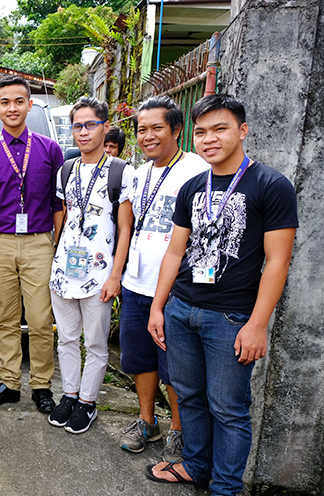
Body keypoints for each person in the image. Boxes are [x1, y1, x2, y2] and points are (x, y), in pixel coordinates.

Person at [145, 94, 298, 496]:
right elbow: (175, 253)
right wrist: (160, 307)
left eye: (220, 129)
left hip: (230, 318)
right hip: (182, 309)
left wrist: (257, 324)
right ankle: (195, 466)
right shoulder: (193, 186)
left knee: (229, 408)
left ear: (242, 131)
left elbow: (277, 261)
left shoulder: (271, 185)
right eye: (201, 132)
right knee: (188, 394)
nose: (209, 139)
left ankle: (225, 491)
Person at [116, 96, 208, 458]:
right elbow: (130, 226)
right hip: (137, 284)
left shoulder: (199, 169)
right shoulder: (139, 175)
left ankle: (179, 430)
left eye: (157, 128)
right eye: (142, 130)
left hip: (176, 290)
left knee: (176, 367)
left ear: (177, 129)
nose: (148, 136)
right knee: (140, 359)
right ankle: (147, 422)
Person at [0, 76, 64, 412]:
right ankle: (9, 382)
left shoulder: (50, 150)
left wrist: (59, 244)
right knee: (5, 318)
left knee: (39, 319)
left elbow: (58, 203)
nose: (12, 108)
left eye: (18, 101)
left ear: (29, 104)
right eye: (5, 102)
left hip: (39, 242)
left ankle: (41, 385)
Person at [47, 97, 134, 434]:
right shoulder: (66, 170)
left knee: (95, 343)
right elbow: (64, 216)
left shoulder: (121, 171)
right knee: (66, 340)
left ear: (105, 126)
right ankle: (69, 395)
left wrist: (116, 275)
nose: (82, 132)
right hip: (64, 272)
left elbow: (125, 227)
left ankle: (88, 402)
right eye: (77, 126)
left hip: (100, 275)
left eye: (90, 125)